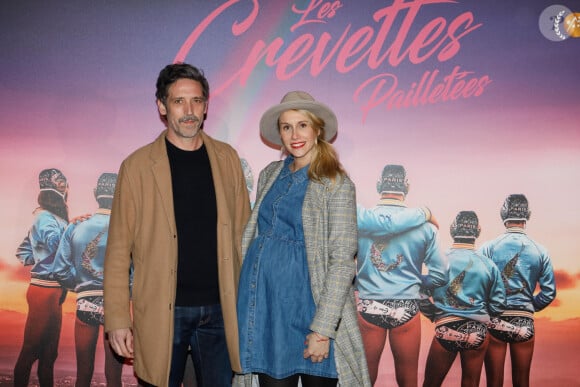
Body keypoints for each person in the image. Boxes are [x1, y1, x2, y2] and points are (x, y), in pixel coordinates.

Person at [103, 63, 251, 387]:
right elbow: (117, 251)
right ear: (161, 106)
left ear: (207, 105)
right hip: (161, 311)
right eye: (178, 101)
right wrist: (116, 319)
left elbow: (245, 237)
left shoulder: (227, 160)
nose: (189, 111)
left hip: (221, 309)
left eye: (196, 101)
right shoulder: (137, 167)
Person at [235, 91, 371, 387]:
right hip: (267, 309)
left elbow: (342, 261)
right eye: (286, 127)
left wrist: (323, 330)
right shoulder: (270, 173)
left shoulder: (336, 183)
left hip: (311, 310)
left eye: (302, 125)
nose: (294, 135)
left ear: (317, 129)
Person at [355, 164, 448, 386]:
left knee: (363, 379)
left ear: (379, 185)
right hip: (406, 307)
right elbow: (440, 275)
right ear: (406, 187)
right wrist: (417, 282)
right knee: (408, 379)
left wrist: (362, 280)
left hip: (369, 305)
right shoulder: (425, 228)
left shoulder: (361, 220)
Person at [53, 173, 125, 387]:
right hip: (116, 305)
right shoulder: (128, 228)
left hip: (85, 301)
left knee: (83, 375)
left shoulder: (75, 227)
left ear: (95, 194)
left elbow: (60, 270)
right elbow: (136, 271)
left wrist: (81, 285)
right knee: (114, 378)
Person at [422, 211, 507, 387]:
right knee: (471, 383)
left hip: (446, 327)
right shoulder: (488, 265)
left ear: (453, 229)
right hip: (478, 331)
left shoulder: (440, 260)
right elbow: (499, 305)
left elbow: (420, 293)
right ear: (478, 231)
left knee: (431, 383)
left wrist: (433, 314)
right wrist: (483, 315)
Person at [479, 194, 556, 387]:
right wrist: (530, 306)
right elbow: (549, 292)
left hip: (495, 319)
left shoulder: (488, 248)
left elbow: (477, 285)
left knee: (493, 382)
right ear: (527, 215)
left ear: (503, 214)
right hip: (524, 321)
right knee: (522, 381)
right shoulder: (540, 250)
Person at [14, 168, 70, 387]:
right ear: (52, 187)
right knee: (30, 350)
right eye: (60, 181)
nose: (65, 184)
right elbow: (58, 246)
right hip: (43, 292)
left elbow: (22, 252)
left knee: (49, 354)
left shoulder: (51, 216)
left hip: (54, 292)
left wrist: (40, 258)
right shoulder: (45, 216)